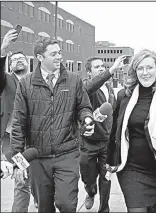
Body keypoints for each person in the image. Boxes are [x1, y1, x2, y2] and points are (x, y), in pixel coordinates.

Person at [10, 37, 95, 213]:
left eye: (60, 53)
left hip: (67, 153)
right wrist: (18, 161)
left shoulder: (73, 80)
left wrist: (87, 118)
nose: (59, 57)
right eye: (54, 54)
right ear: (40, 57)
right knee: (44, 207)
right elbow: (18, 123)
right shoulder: (26, 84)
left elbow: (84, 107)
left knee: (66, 204)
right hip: (37, 156)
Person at [107, 49, 156, 213]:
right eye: (140, 68)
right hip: (130, 166)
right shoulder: (124, 95)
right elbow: (115, 129)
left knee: (150, 207)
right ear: (135, 71)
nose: (145, 73)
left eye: (149, 67)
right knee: (137, 208)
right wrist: (110, 160)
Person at [79, 56, 125, 212]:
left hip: (107, 143)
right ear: (88, 72)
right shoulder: (86, 87)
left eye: (103, 66)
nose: (101, 69)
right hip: (88, 143)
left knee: (106, 179)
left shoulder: (111, 91)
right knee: (88, 178)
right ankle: (90, 192)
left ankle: (104, 208)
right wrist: (112, 70)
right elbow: (91, 87)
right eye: (96, 67)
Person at [0, 29, 37, 212]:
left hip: (38, 139)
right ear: (9, 66)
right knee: (21, 177)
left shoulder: (37, 81)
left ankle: (38, 194)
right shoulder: (5, 80)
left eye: (21, 59)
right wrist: (3, 51)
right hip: (13, 140)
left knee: (36, 178)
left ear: (29, 63)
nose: (17, 61)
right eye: (13, 60)